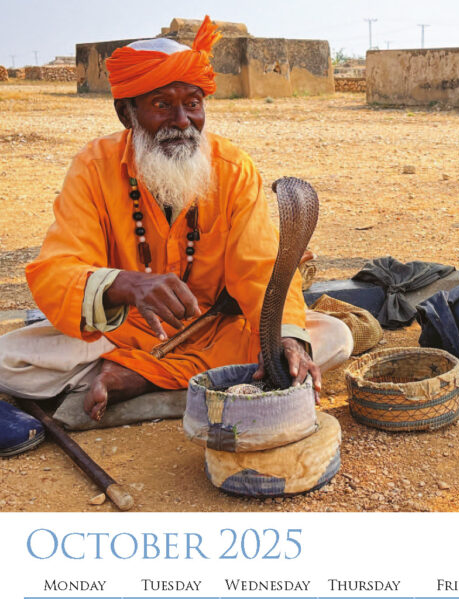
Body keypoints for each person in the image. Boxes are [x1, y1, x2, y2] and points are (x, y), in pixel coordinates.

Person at [0, 16, 352, 431]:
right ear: (126, 112)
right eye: (162, 105)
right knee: (10, 361)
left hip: (213, 328)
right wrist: (126, 285)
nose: (183, 121)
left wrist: (288, 339)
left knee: (330, 337)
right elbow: (59, 268)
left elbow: (260, 268)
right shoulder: (94, 167)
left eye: (193, 103)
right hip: (122, 331)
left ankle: (137, 379)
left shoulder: (233, 168)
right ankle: (189, 384)